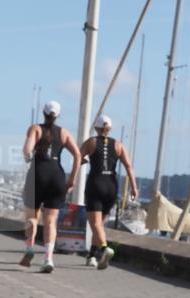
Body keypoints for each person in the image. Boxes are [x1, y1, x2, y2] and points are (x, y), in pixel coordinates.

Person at [20, 101, 81, 273]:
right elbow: (78, 155)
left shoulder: (36, 129)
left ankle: (30, 248)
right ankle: (48, 258)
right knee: (51, 220)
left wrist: (28, 158)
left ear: (43, 113)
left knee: (32, 216)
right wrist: (72, 179)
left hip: (37, 174)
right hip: (57, 176)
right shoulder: (64, 133)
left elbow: (27, 150)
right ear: (58, 115)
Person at [79, 114, 138, 269]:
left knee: (95, 224)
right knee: (99, 225)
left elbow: (78, 157)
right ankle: (92, 256)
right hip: (111, 186)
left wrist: (83, 161)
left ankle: (105, 248)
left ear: (96, 128)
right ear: (110, 128)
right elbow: (129, 166)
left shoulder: (91, 142)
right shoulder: (118, 145)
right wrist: (134, 187)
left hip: (95, 185)